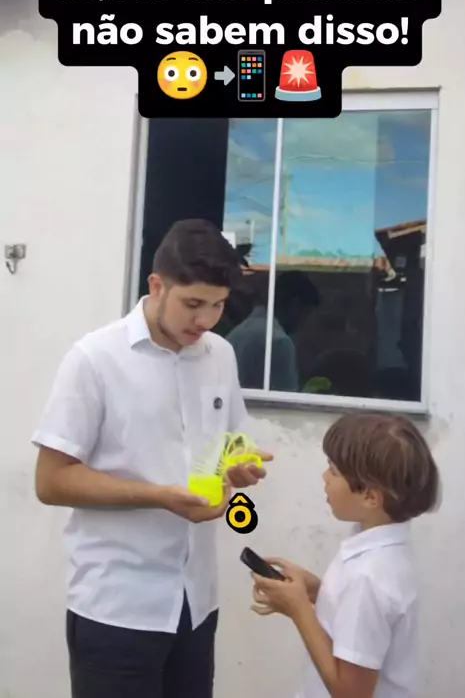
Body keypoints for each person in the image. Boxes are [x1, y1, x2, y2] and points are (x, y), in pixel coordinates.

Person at [32, 218, 272, 698]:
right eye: (193, 304)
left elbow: (229, 442)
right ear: (157, 286)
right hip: (117, 607)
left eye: (218, 306)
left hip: (196, 602)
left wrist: (239, 465)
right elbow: (51, 481)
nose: (205, 321)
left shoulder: (220, 355)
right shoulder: (95, 359)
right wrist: (158, 496)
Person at [250, 413, 439, 698]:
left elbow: (350, 693)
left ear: (370, 497)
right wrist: (317, 592)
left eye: (333, 471)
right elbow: (357, 619)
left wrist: (299, 609)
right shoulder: (380, 552)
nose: (324, 477)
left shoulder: (368, 578)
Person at [227, 270, 320, 391]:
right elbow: (285, 397)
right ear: (295, 305)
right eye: (306, 313)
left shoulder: (240, 332)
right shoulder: (278, 342)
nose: (304, 322)